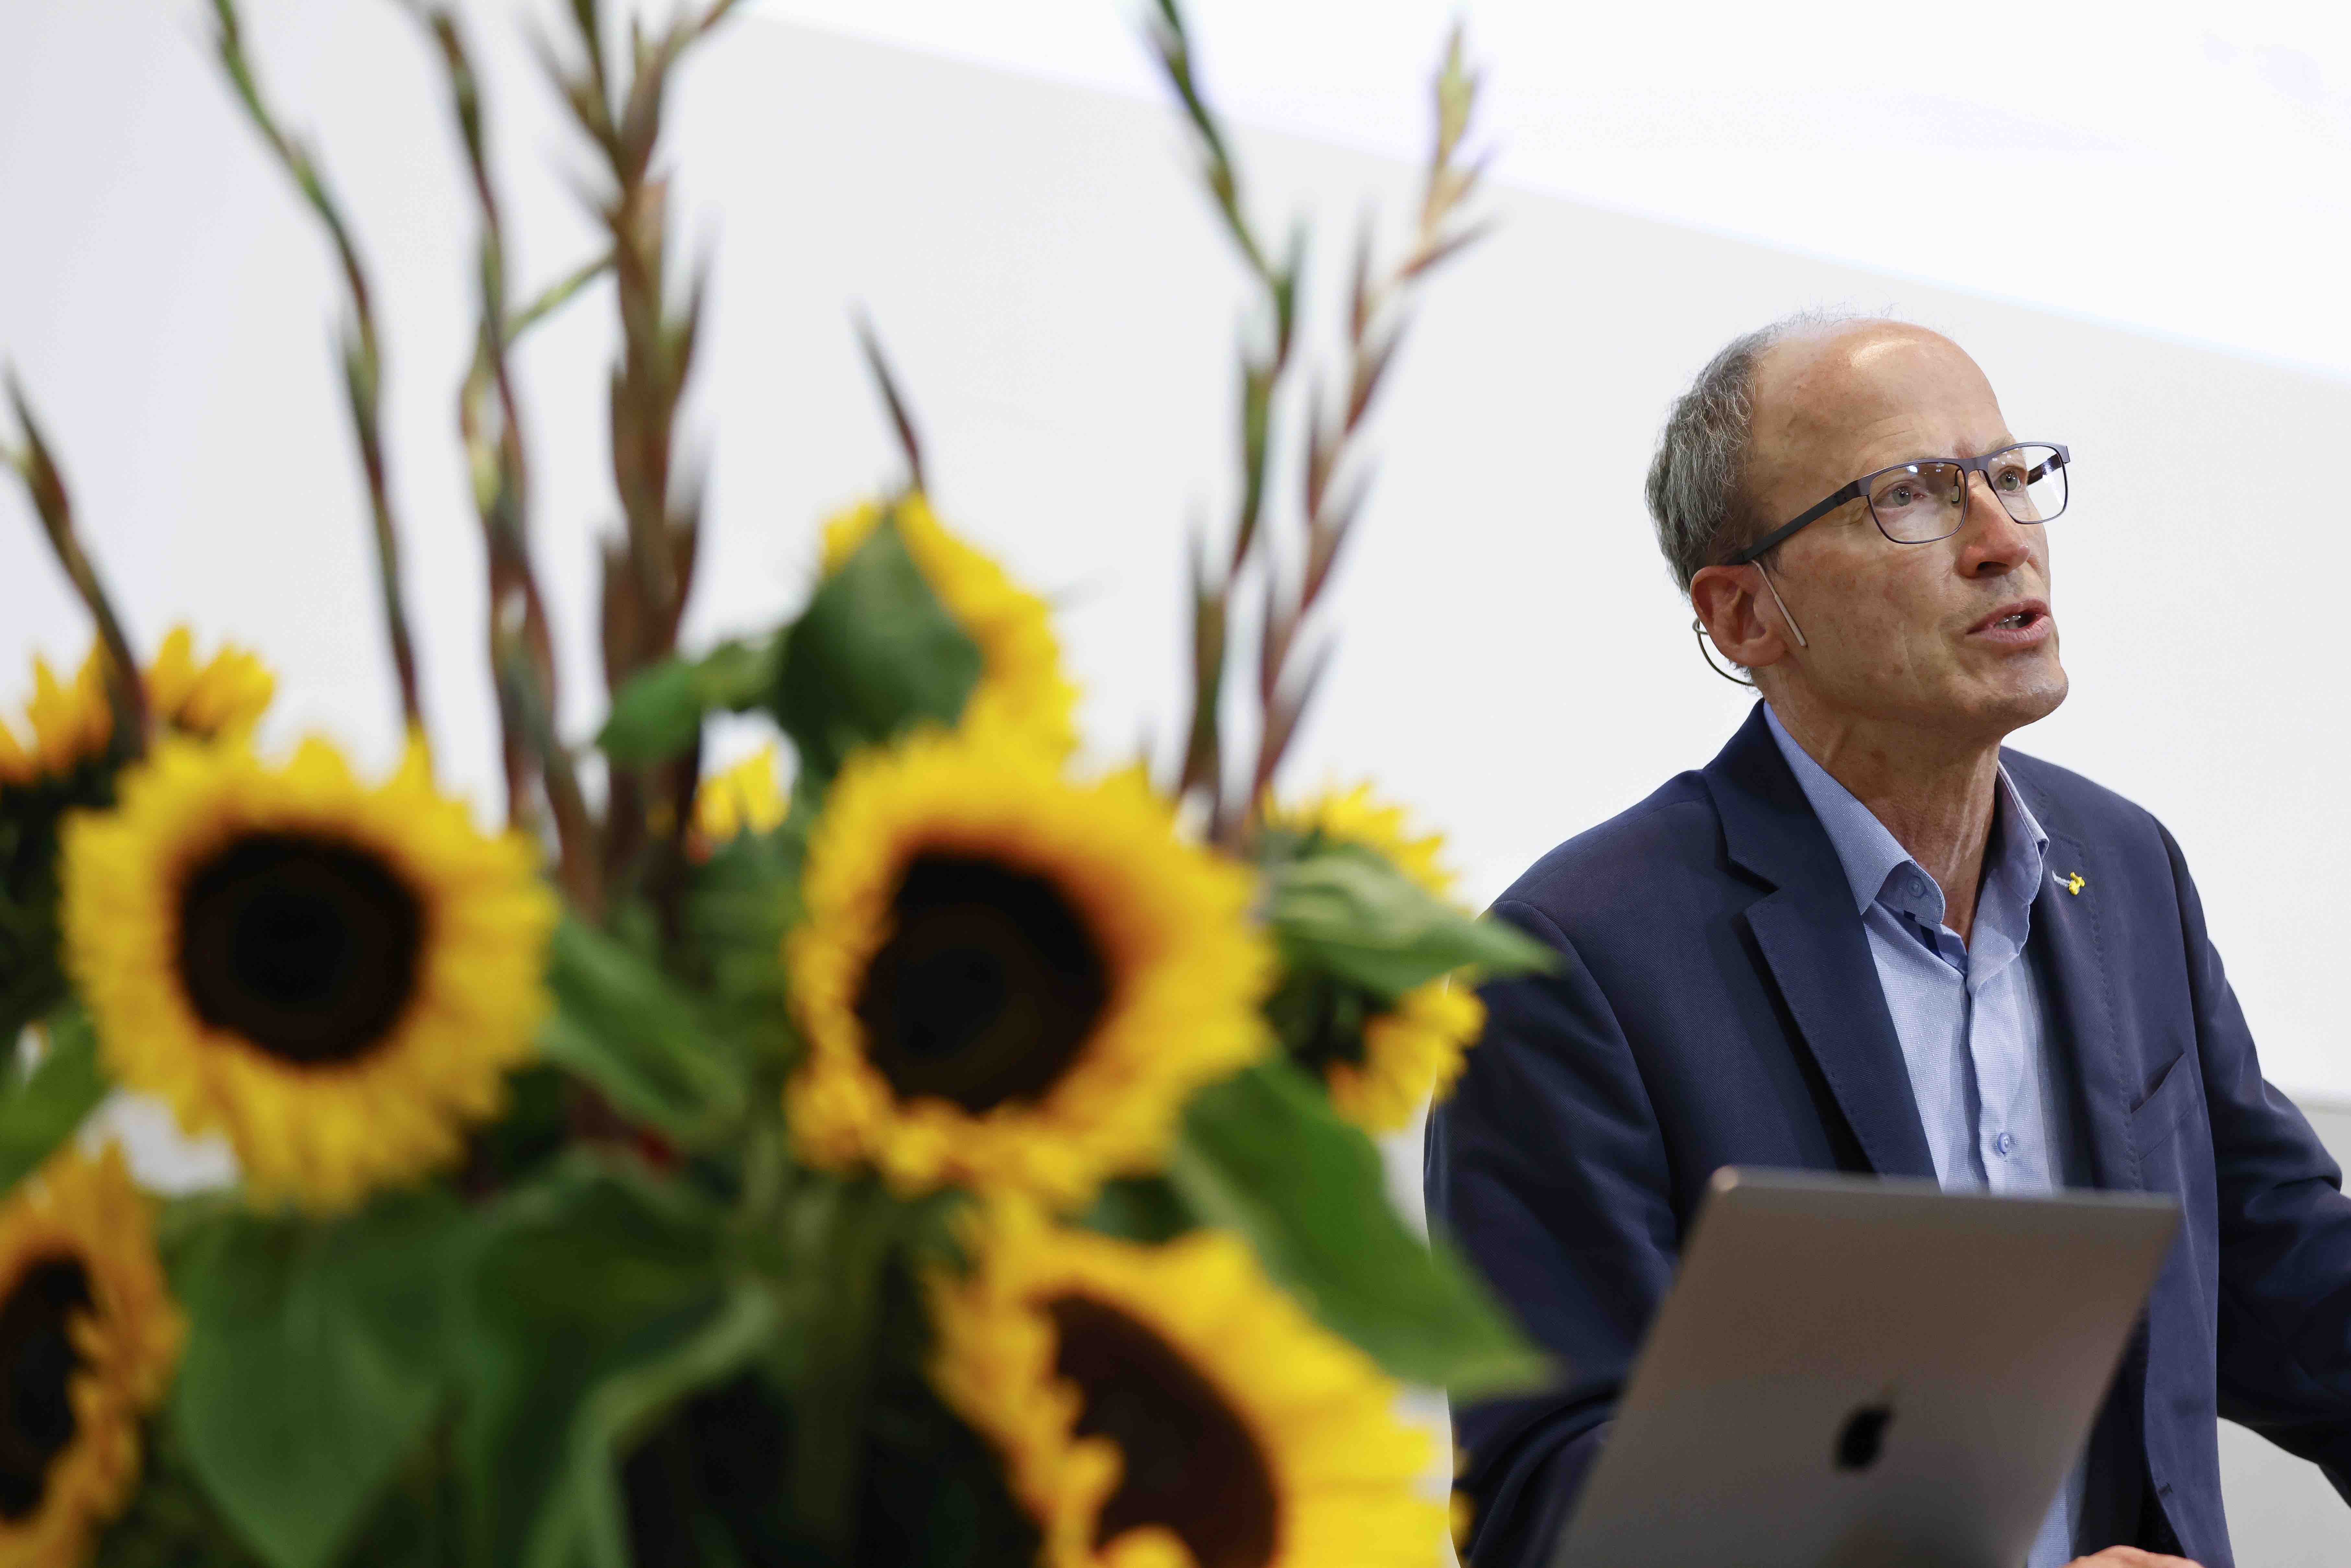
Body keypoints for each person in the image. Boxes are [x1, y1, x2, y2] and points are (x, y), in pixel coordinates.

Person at [1425, 314, 2351, 1568]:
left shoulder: (2126, 871)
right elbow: (1553, 1498)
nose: (2000, 541)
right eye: (1909, 496)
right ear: (1746, 614)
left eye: (2013, 477)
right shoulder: (1571, 966)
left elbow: (2281, 1275)